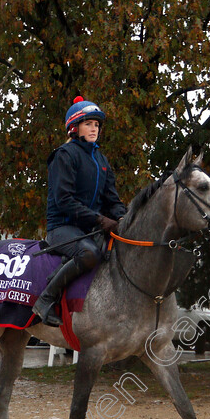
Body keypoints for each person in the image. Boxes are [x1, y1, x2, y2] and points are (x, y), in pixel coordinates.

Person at [31, 96, 127, 326]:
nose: (94, 128)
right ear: (75, 128)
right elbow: (64, 200)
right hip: (62, 228)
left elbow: (111, 200)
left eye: (96, 125)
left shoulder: (101, 160)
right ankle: (45, 299)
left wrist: (123, 218)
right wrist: (99, 219)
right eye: (88, 124)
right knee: (89, 253)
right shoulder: (63, 155)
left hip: (89, 228)